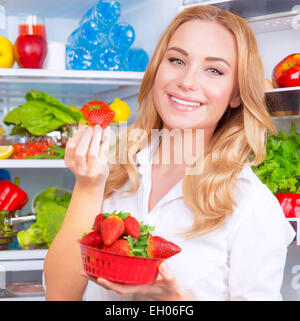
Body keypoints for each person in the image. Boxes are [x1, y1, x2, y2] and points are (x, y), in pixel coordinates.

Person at [44, 5, 295, 301]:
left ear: (237, 94)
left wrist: (174, 302)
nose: (187, 82)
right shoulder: (113, 170)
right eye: (177, 60)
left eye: (214, 70)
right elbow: (59, 296)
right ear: (157, 70)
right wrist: (87, 186)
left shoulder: (250, 204)